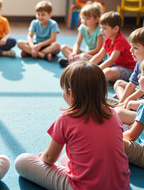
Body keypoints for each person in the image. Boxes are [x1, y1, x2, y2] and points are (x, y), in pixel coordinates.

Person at [15, 61, 130, 190]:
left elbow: (49, 158)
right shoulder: (113, 114)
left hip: (81, 187)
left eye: (63, 89)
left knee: (22, 161)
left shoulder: (66, 118)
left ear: (72, 94)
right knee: (66, 158)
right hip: (120, 186)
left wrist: (43, 157)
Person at [90, 11, 136, 82]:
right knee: (88, 60)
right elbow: (99, 55)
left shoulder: (120, 40)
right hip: (116, 66)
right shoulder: (108, 39)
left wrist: (96, 71)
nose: (101, 30)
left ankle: (93, 84)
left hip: (128, 69)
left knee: (107, 72)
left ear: (116, 29)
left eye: (104, 28)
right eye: (101, 28)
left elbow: (111, 60)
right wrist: (88, 67)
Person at [58, 2, 104, 67]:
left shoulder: (99, 30)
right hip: (85, 53)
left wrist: (82, 54)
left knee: (83, 56)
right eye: (83, 18)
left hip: (95, 56)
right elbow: (77, 43)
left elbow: (98, 49)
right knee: (63, 47)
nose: (84, 20)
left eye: (87, 18)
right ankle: (75, 61)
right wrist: (74, 52)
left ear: (96, 19)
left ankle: (72, 62)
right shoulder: (83, 27)